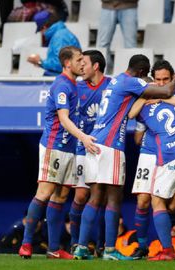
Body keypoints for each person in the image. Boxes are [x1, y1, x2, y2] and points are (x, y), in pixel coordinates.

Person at [73, 54, 175, 260]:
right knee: (114, 198)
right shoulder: (132, 82)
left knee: (94, 198)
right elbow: (167, 90)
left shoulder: (117, 80)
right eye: (146, 75)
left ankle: (81, 248)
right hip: (110, 146)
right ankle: (111, 251)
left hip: (94, 142)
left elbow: (145, 89)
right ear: (141, 72)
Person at [18, 46, 97, 260]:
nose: (83, 63)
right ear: (67, 63)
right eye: (79, 60)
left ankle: (53, 248)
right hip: (54, 146)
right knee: (44, 192)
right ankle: (26, 244)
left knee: (61, 195)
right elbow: (63, 118)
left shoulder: (74, 84)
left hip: (69, 148)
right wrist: (83, 137)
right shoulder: (62, 85)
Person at [128, 68, 175, 261]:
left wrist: (158, 97)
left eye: (165, 80)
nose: (160, 84)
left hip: (170, 151)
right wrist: (150, 96)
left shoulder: (166, 93)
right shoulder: (165, 94)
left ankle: (167, 251)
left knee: (158, 201)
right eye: (157, 81)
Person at [68, 50, 111, 253]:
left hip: (105, 148)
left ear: (96, 66)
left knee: (102, 197)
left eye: (84, 63)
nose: (81, 67)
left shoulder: (112, 85)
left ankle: (102, 245)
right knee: (81, 196)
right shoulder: (77, 87)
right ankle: (76, 242)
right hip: (83, 147)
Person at [28, 9, 81, 76]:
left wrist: (40, 62)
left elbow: (60, 64)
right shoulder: (60, 34)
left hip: (61, 79)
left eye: (40, 30)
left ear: (44, 27)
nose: (42, 33)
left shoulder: (60, 36)